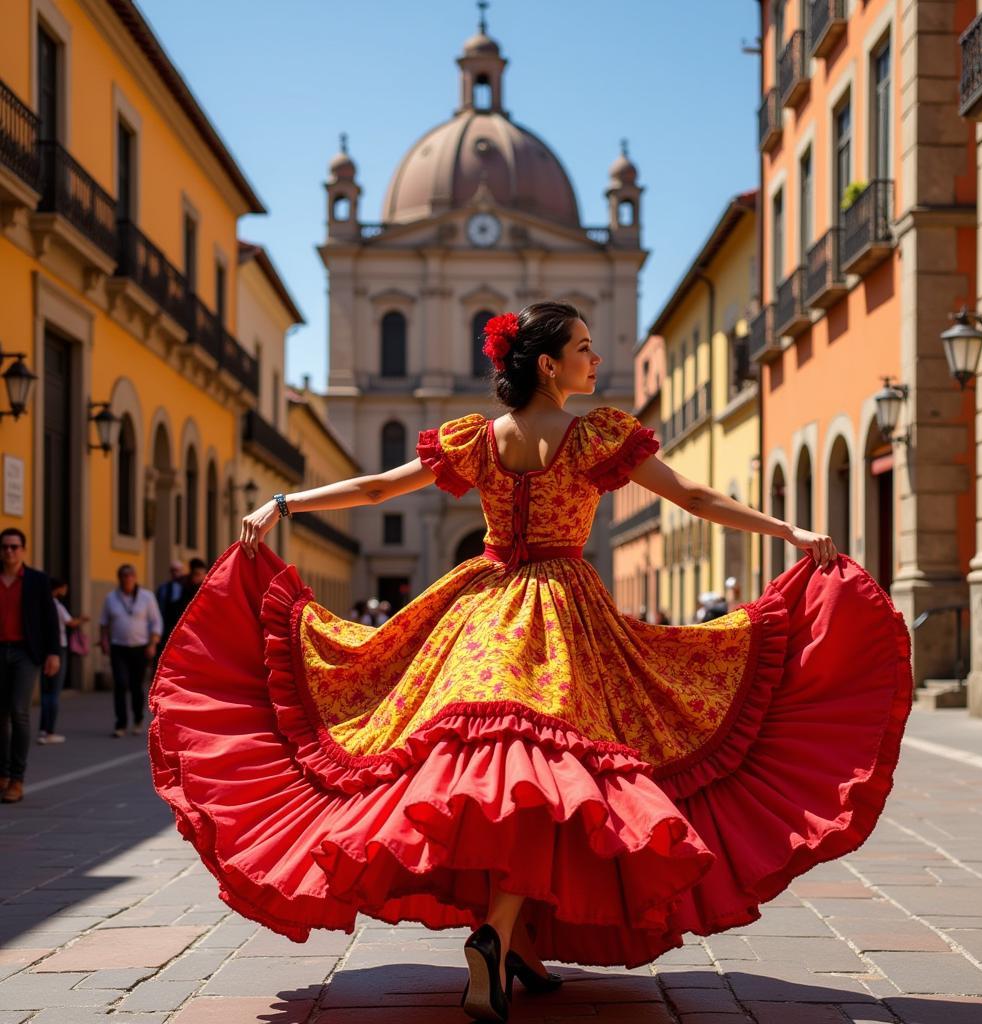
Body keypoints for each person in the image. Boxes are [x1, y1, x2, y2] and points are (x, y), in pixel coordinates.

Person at [149, 302, 912, 1023]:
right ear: (549, 365)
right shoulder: (596, 436)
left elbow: (380, 487)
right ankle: (496, 935)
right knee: (542, 781)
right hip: (561, 614)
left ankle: (516, 945)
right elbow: (697, 497)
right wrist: (789, 531)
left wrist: (284, 504)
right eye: (582, 347)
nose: (595, 356)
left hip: (479, 611)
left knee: (492, 778)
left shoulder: (478, 438)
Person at [0, 528, 60, 804]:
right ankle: (2, 774)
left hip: (25, 653)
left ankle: (17, 779)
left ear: (23, 550)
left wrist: (53, 653)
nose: (9, 551)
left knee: (19, 712)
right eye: (5, 547)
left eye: (14, 547)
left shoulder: (37, 581)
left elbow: (50, 620)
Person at [99, 564, 162, 738]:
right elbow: (104, 623)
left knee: (136, 685)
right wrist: (104, 641)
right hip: (118, 646)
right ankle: (120, 723)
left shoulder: (146, 597)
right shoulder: (111, 598)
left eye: (130, 576)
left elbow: (156, 622)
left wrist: (152, 644)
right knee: (120, 684)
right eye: (124, 576)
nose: (127, 579)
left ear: (135, 578)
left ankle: (138, 719)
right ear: (119, 579)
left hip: (140, 647)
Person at [38, 578, 89, 745]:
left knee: (45, 691)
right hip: (58, 649)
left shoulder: (41, 604)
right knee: (54, 692)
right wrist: (82, 620)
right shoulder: (57, 606)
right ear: (59, 589)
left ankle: (42, 730)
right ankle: (49, 731)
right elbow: (70, 622)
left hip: (43, 648)